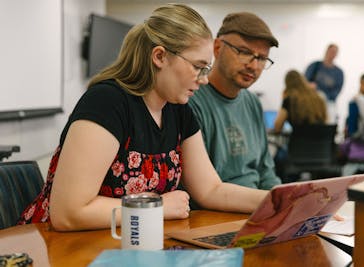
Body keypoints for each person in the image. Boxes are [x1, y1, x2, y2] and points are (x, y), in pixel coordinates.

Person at [17, 4, 268, 231]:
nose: (203, 79)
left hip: (125, 241)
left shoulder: (179, 109)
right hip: (59, 247)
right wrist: (157, 206)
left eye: (206, 69)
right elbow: (69, 213)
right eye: (197, 66)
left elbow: (211, 189)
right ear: (159, 56)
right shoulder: (106, 102)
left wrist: (276, 199)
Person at [188, 12, 281, 192]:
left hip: (257, 207)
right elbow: (203, 192)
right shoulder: (192, 100)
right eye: (244, 52)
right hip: (217, 211)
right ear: (217, 48)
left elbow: (266, 172)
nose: (253, 66)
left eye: (261, 58)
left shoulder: (253, 102)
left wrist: (290, 203)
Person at [273, 69, 328, 180]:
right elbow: (326, 125)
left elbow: (277, 127)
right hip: (321, 154)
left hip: (296, 155)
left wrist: (283, 99)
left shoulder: (289, 100)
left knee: (277, 156)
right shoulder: (319, 98)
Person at [305, 43, 344, 123]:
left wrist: (322, 95)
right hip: (311, 103)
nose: (331, 54)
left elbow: (336, 92)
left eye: (334, 52)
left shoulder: (339, 73)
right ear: (326, 51)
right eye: (330, 51)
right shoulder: (315, 66)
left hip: (328, 105)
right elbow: (304, 82)